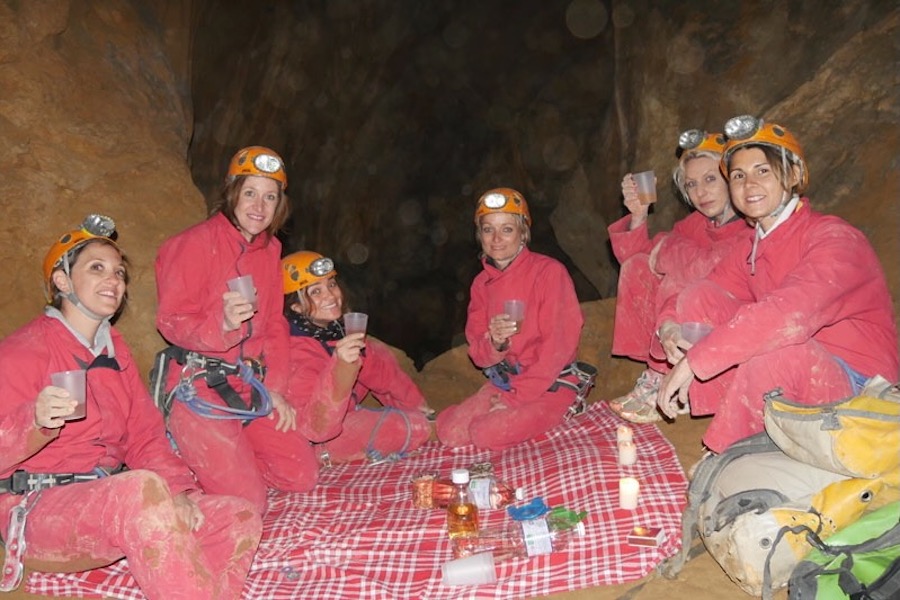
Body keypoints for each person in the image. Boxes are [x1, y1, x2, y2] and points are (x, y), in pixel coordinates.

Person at [0, 215, 261, 599]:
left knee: (237, 516)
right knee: (140, 490)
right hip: (37, 512)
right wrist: (33, 422)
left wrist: (180, 492)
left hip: (106, 504)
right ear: (62, 282)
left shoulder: (114, 351)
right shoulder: (23, 351)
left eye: (119, 272)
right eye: (97, 268)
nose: (114, 280)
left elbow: (145, 435)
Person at [655, 116, 899, 452]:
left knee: (778, 350)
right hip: (802, 368)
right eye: (738, 176)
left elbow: (787, 316)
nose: (749, 184)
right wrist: (668, 325)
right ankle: (733, 417)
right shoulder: (753, 244)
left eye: (763, 171)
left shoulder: (835, 238)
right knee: (702, 298)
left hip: (862, 390)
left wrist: (695, 361)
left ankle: (733, 453)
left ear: (795, 175)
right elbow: (703, 288)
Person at [155, 146, 317, 514]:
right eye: (250, 193)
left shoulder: (270, 249)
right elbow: (171, 320)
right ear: (232, 193)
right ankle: (189, 463)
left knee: (301, 474)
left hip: (248, 385)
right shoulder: (192, 244)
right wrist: (222, 325)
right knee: (249, 505)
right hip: (198, 388)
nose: (259, 205)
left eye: (270, 197)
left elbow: (275, 324)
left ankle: (227, 462)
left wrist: (274, 389)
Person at [608, 130, 750, 423]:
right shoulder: (696, 223)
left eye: (711, 179)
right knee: (637, 267)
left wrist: (668, 249)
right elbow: (641, 262)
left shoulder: (752, 222)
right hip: (686, 318)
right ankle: (657, 371)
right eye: (691, 184)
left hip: (733, 330)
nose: (701, 192)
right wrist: (639, 214)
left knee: (684, 278)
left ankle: (665, 375)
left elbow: (707, 269)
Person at [436, 188, 586, 450]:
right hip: (509, 380)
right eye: (487, 229)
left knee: (485, 434)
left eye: (506, 229)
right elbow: (479, 356)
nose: (496, 239)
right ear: (479, 234)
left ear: (523, 233)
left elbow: (556, 349)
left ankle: (565, 408)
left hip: (551, 383)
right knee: (450, 432)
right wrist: (496, 344)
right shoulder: (481, 284)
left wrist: (516, 400)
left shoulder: (549, 273)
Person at [281, 251, 434, 464]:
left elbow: (383, 375)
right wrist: (342, 366)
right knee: (404, 428)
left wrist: (416, 407)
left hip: (345, 412)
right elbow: (317, 427)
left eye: (331, 285)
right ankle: (325, 457)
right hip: (314, 437)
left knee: (374, 352)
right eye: (315, 291)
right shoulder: (295, 351)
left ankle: (420, 414)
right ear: (296, 307)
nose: (330, 296)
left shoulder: (334, 331)